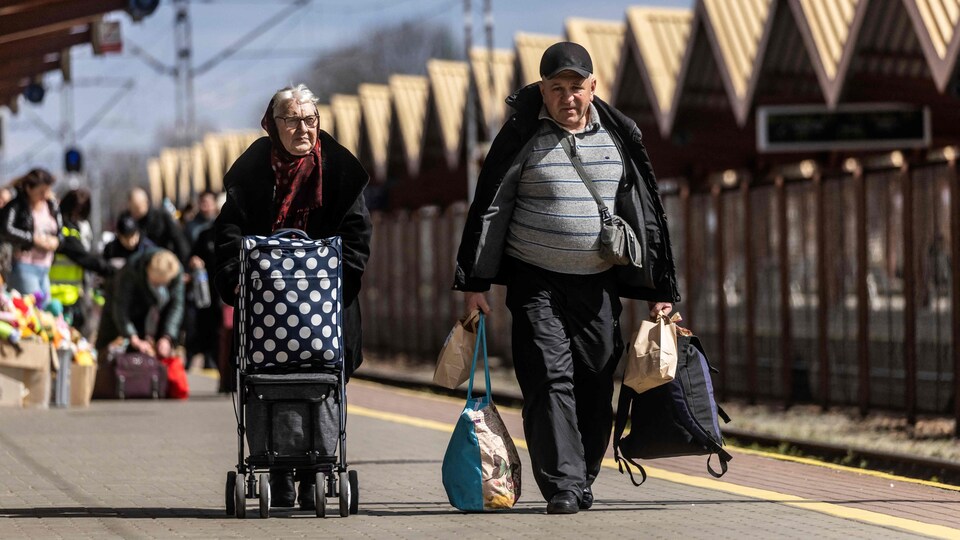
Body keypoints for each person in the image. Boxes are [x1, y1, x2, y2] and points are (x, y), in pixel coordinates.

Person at [453, 42, 680, 514]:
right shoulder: (521, 136)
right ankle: (562, 485)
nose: (568, 97)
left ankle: (582, 475)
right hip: (535, 281)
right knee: (548, 378)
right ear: (542, 90)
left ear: (593, 88)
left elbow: (647, 214)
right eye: (557, 88)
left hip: (597, 283)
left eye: (577, 87)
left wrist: (660, 288)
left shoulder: (619, 137)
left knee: (596, 382)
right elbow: (489, 207)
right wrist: (474, 282)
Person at [215, 83, 372, 511]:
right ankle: (278, 471)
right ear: (273, 125)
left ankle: (315, 470)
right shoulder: (249, 174)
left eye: (310, 119)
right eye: (292, 120)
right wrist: (235, 280)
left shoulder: (340, 170)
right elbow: (228, 233)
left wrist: (338, 283)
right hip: (265, 311)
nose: (303, 128)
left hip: (328, 309)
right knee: (266, 384)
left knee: (322, 384)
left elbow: (357, 237)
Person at [94, 248, 185, 362]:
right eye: (156, 283)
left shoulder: (175, 271)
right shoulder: (132, 268)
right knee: (108, 354)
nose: (159, 288)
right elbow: (120, 308)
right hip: (123, 312)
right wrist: (133, 337)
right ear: (148, 271)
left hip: (152, 317)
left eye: (164, 284)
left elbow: (176, 307)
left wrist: (167, 337)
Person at [0, 168, 62, 304]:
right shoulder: (17, 206)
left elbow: (60, 230)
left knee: (47, 311)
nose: (45, 195)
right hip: (24, 265)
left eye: (47, 190)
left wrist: (56, 241)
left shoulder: (51, 205)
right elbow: (6, 229)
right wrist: (32, 239)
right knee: (33, 312)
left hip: (45, 267)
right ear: (29, 188)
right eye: (41, 191)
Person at [122, 188, 191, 264]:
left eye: (138, 207)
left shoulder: (161, 216)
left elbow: (179, 239)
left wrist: (182, 264)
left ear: (146, 203)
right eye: (133, 208)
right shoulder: (126, 220)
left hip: (163, 262)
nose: (135, 211)